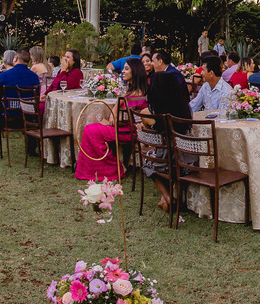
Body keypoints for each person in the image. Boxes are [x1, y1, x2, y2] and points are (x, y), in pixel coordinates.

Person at [75, 57, 145, 181]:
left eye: (126, 69)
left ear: (135, 72)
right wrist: (113, 113)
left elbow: (131, 117)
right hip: (122, 127)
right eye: (123, 68)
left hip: (129, 130)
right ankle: (96, 169)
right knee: (90, 128)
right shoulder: (130, 91)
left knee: (91, 130)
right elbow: (118, 106)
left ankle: (114, 169)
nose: (122, 71)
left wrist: (111, 121)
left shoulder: (138, 94)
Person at [140, 70, 194, 212]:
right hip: (188, 162)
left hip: (167, 163)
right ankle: (165, 198)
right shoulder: (184, 109)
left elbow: (146, 126)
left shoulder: (154, 113)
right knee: (160, 158)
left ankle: (168, 197)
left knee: (147, 161)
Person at [0, 48, 40, 161]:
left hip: (8, 117)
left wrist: (2, 112)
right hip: (29, 118)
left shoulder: (5, 75)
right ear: (29, 62)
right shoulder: (34, 77)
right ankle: (31, 148)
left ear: (15, 59)